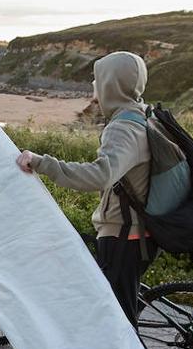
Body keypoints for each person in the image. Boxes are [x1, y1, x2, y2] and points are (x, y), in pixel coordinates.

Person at [15, 51, 156, 326]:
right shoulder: (143, 114)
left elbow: (100, 175)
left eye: (97, 78)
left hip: (124, 234)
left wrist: (42, 163)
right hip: (140, 230)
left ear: (109, 84)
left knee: (118, 322)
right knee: (118, 296)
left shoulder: (124, 128)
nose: (93, 85)